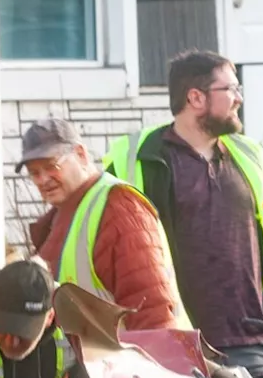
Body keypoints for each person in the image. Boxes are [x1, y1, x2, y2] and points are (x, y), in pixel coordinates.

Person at [103, 50, 263, 377]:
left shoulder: (246, 154)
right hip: (176, 349)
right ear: (196, 98)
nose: (239, 99)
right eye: (231, 89)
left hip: (255, 343)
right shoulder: (136, 160)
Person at [18, 118, 188, 331]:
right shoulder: (68, 211)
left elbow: (151, 311)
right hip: (97, 361)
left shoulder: (118, 208)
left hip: (125, 362)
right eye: (34, 173)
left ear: (81, 154)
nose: (43, 179)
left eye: (51, 166)